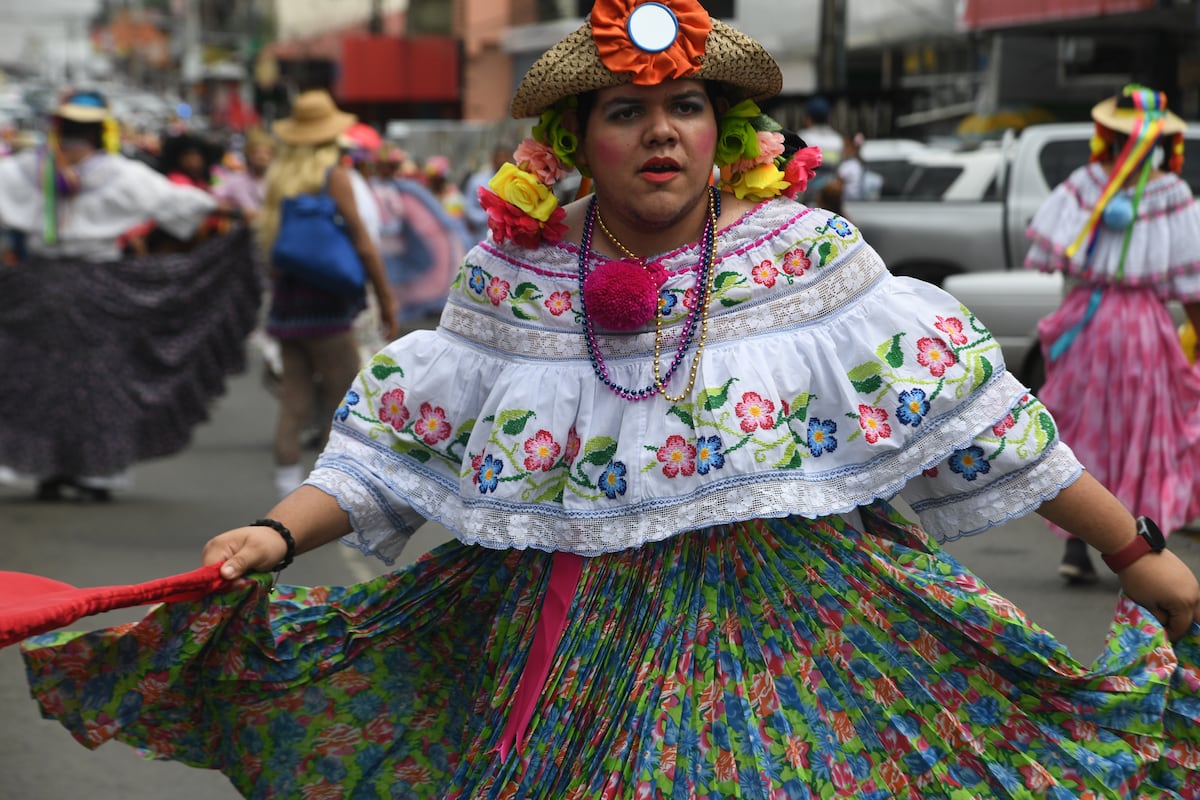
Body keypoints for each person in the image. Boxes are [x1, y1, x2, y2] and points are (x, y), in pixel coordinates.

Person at [13, 8, 1200, 798]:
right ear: (578, 141)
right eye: (627, 112)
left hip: (785, 638)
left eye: (684, 107)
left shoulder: (808, 255)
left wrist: (1144, 556)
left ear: (718, 128)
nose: (660, 132)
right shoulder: (514, 277)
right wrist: (276, 529)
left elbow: (985, 416)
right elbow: (392, 446)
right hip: (555, 637)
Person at [0, 88, 261, 501]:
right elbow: (174, 201)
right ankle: (94, 474)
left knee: (40, 381)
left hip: (38, 290)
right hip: (99, 289)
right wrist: (229, 212)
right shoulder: (116, 173)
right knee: (100, 381)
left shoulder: (27, 169)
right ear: (101, 131)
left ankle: (48, 468)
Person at [1024, 84, 1200, 584]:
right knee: (1142, 432)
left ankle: (1079, 545)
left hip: (1090, 324)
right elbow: (1192, 286)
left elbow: (1063, 262)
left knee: (1086, 426)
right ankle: (1141, 549)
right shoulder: (1172, 194)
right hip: (1144, 328)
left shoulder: (1085, 184)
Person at [254, 88, 399, 498]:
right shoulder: (333, 176)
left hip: (288, 304)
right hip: (329, 304)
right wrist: (385, 297)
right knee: (343, 397)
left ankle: (285, 486)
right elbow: (363, 243)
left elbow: (270, 248)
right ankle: (319, 492)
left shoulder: (278, 177)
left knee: (294, 401)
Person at [370, 141, 467, 327]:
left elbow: (446, 220)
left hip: (410, 250)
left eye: (391, 166)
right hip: (390, 251)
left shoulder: (411, 190)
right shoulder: (381, 188)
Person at [462, 142, 513, 242]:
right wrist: (490, 216)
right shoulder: (477, 180)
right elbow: (467, 207)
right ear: (492, 158)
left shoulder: (517, 182)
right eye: (499, 157)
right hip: (481, 238)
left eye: (505, 157)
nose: (502, 160)